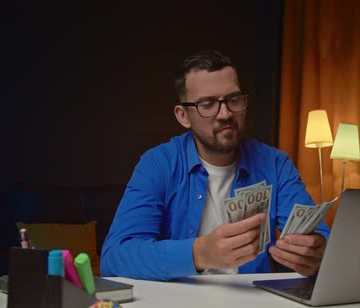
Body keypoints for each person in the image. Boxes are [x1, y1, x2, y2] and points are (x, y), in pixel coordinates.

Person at [101, 50, 330, 281]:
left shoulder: (275, 164)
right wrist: (200, 253)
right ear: (183, 116)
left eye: (234, 100)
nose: (226, 114)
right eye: (208, 104)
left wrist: (317, 253)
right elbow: (115, 258)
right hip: (178, 306)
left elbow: (320, 239)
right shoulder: (157, 165)